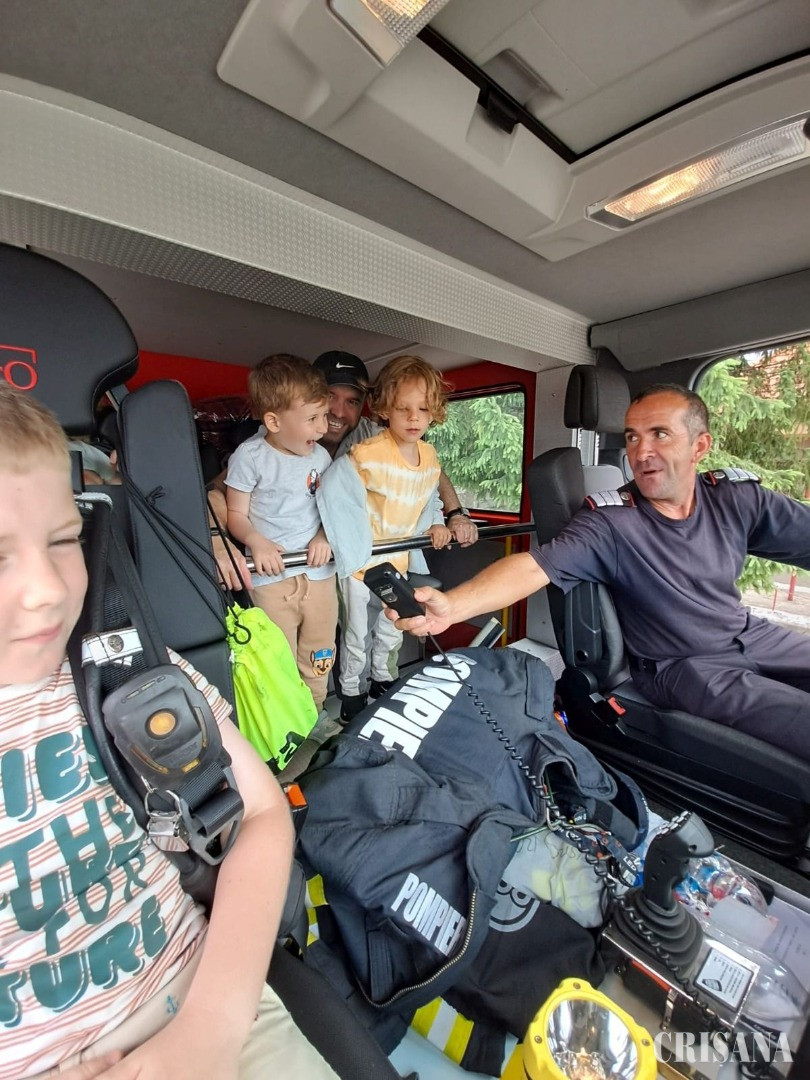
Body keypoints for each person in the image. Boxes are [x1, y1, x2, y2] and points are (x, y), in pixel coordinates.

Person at [0, 384, 338, 1080]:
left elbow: (261, 812)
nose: (49, 589)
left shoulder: (128, 669)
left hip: (205, 996)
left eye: (63, 541)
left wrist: (213, 1024)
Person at [390, 383, 810, 760]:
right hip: (684, 665)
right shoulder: (612, 521)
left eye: (659, 434)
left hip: (750, 634)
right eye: (632, 437)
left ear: (700, 446)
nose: (641, 452)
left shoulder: (735, 497)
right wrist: (452, 607)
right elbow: (533, 567)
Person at [319, 355, 453, 722]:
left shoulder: (429, 457)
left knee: (393, 626)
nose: (413, 418)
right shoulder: (367, 454)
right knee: (356, 635)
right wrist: (348, 544)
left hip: (398, 563)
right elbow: (333, 494)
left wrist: (436, 524)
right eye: (403, 408)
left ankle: (383, 679)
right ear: (384, 410)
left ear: (434, 412)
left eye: (422, 409)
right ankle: (352, 692)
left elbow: (427, 496)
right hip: (361, 566)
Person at [225, 354, 337, 711]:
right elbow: (235, 514)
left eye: (324, 416)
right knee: (278, 656)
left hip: (319, 574)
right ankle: (288, 721)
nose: (323, 428)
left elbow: (332, 509)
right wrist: (255, 541)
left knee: (320, 651)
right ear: (273, 421)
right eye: (312, 419)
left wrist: (324, 536)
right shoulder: (250, 457)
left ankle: (316, 712)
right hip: (271, 578)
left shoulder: (321, 458)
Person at [313, 350, 479, 547]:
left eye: (352, 401)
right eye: (330, 396)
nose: (339, 412)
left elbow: (426, 472)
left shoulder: (376, 435)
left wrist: (455, 514)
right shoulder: (280, 442)